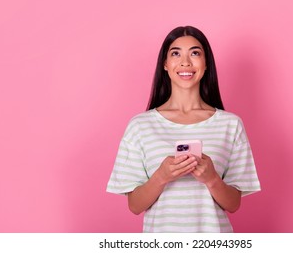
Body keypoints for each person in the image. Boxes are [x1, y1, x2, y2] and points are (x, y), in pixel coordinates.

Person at [107, 26, 261, 232]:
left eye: (195, 53)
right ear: (165, 64)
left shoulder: (230, 125)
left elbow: (233, 204)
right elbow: (135, 205)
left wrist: (212, 179)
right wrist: (161, 176)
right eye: (176, 53)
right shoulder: (140, 126)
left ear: (206, 64)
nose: (185, 62)